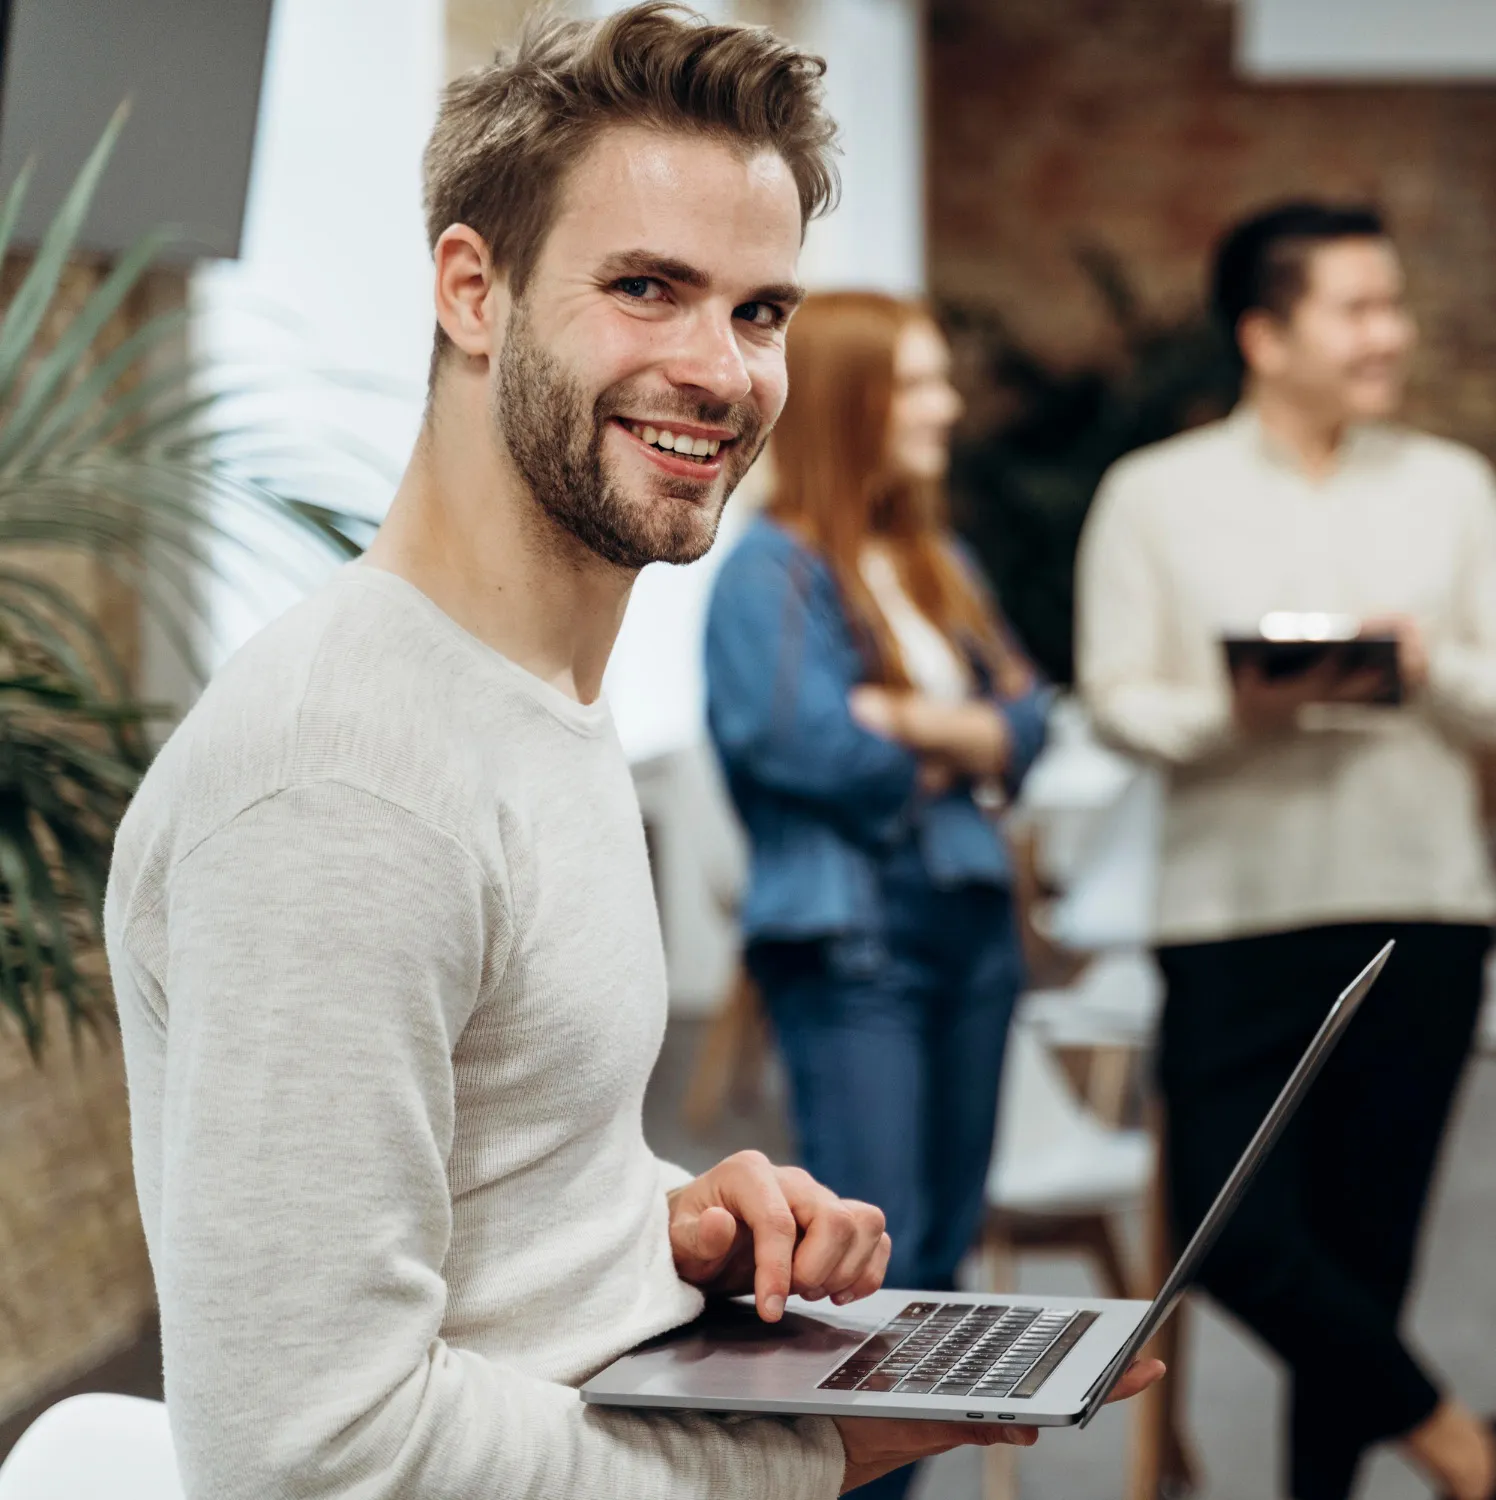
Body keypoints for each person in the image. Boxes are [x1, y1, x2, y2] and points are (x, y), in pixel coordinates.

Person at [104, 9, 1159, 1499]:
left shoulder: (529, 696)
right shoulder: (344, 782)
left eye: (760, 312)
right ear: (474, 289)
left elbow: (486, 1208)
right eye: (647, 288)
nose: (720, 373)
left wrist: (665, 1228)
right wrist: (806, 1458)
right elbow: (308, 1455)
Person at [1076, 200, 1496, 1500]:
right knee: (1235, 1232)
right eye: (1358, 308)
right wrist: (1237, 707)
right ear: (1265, 333)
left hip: (1419, 906)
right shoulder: (1154, 494)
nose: (1393, 333)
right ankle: (1462, 1448)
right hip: (1228, 916)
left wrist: (1422, 670)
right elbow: (1114, 697)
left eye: (1394, 305)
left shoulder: (1454, 488)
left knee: (1369, 1256)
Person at [705, 291, 1050, 1498]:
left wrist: (903, 714)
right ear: (853, 402)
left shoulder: (934, 561)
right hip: (852, 945)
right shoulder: (765, 572)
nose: (946, 407)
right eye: (916, 385)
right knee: (874, 1283)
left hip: (966, 931)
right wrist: (958, 744)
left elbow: (1031, 723)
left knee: (943, 1260)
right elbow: (803, 750)